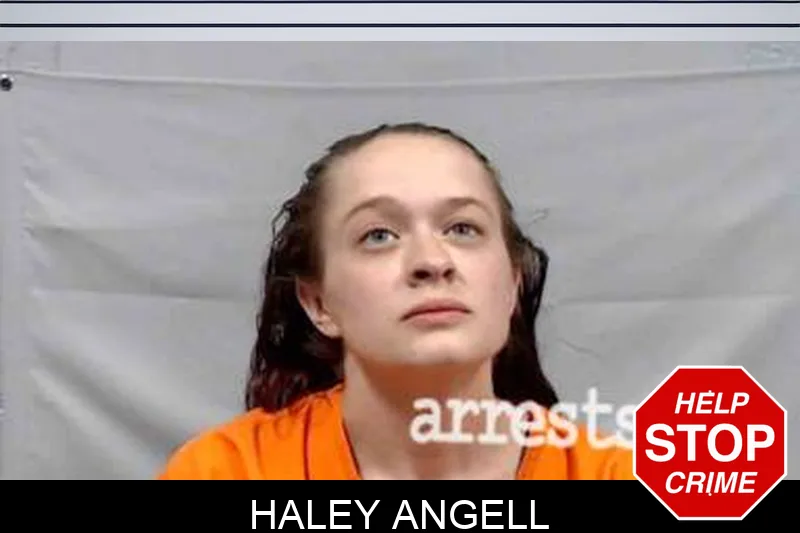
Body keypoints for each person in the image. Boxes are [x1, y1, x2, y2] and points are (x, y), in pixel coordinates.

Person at [157, 122, 633, 480]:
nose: (432, 261)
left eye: (462, 228)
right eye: (379, 235)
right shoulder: (226, 472)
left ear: (511, 284)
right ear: (318, 302)